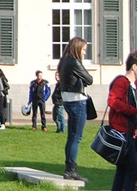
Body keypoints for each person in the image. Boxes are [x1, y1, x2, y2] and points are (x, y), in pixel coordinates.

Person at [107, 52, 137, 191]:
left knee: (123, 170)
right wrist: (135, 112)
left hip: (128, 131)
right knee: (133, 170)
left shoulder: (133, 85)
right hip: (121, 131)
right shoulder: (122, 82)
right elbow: (113, 101)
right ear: (134, 67)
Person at [58, 36, 94, 181]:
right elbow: (90, 79)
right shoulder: (74, 62)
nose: (85, 53)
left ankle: (69, 168)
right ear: (78, 48)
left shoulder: (64, 61)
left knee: (72, 137)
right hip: (77, 102)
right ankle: (71, 169)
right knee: (75, 137)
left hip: (69, 101)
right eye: (84, 50)